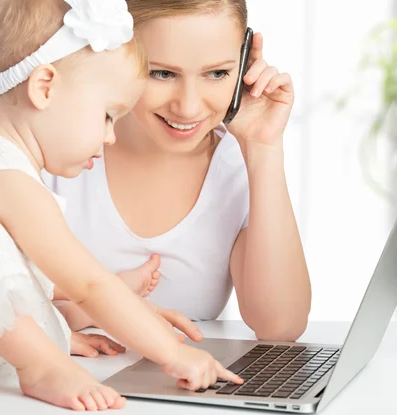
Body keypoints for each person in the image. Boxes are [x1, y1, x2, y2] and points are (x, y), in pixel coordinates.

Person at [0, 0, 242, 410]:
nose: (110, 137)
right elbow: (88, 284)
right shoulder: (6, 179)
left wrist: (56, 327)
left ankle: (45, 342)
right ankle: (39, 366)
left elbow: (22, 278)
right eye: (108, 115)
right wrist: (173, 353)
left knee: (6, 261)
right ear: (44, 87)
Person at [47, 0, 312, 342]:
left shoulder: (239, 166)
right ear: (115, 53)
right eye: (162, 73)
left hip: (181, 386)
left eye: (217, 73)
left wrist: (264, 146)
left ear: (244, 63)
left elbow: (280, 326)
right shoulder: (54, 151)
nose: (188, 107)